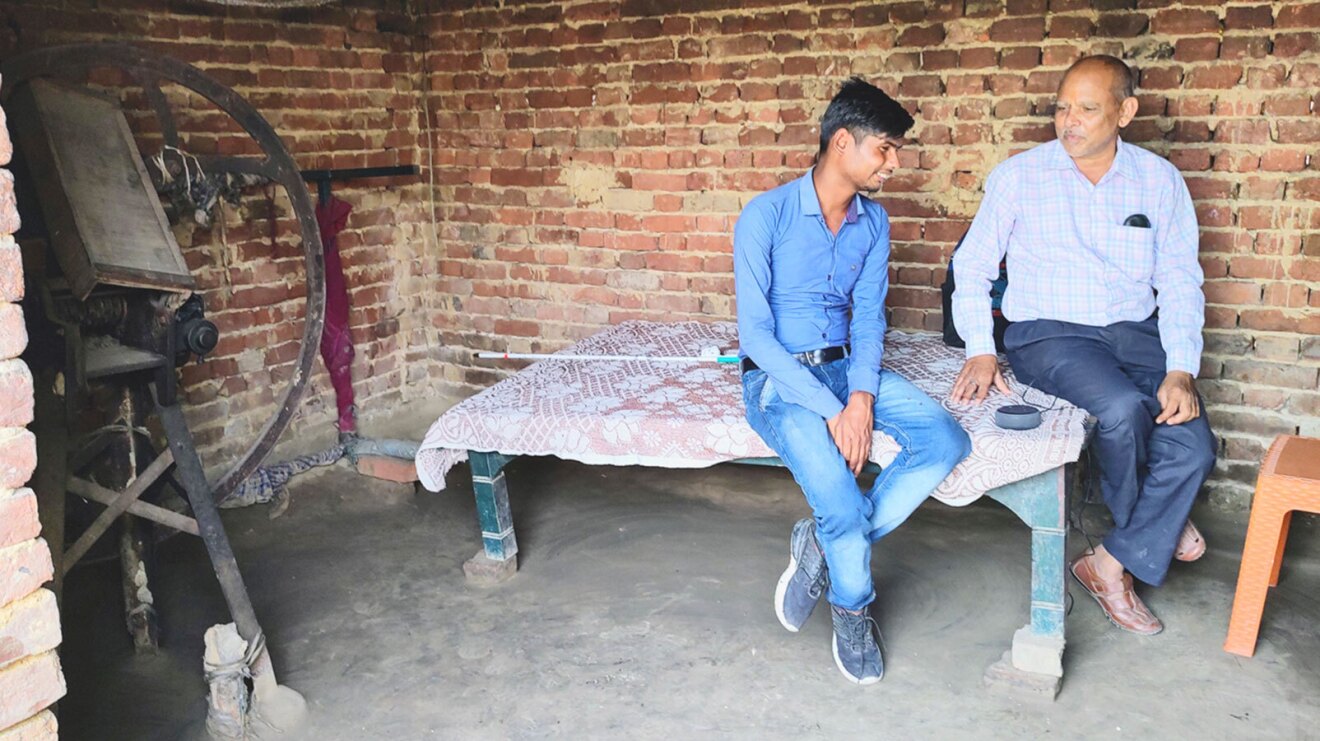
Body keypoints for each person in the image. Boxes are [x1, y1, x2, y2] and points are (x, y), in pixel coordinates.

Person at [950, 55, 1216, 636]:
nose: (1069, 121)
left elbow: (1178, 280)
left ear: (1126, 112)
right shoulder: (1020, 176)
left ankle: (1108, 560)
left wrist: (1180, 367)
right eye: (1062, 107)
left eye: (1087, 109)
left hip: (1136, 333)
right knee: (1121, 410)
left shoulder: (1159, 180)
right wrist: (980, 346)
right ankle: (1150, 532)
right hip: (1051, 333)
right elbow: (969, 267)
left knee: (1194, 445)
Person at [735, 77, 972, 685]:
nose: (894, 164)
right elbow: (757, 338)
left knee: (945, 440)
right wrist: (832, 409)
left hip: (849, 368)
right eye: (885, 149)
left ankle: (817, 542)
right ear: (843, 142)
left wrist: (860, 397)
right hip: (780, 381)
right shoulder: (766, 217)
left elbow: (869, 316)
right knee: (842, 503)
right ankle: (852, 611)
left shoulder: (874, 223)